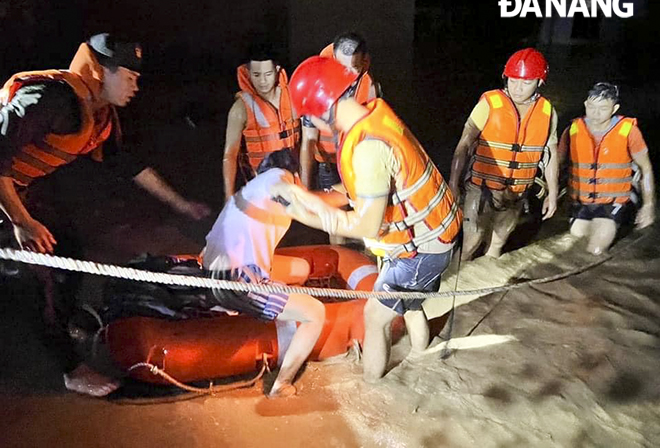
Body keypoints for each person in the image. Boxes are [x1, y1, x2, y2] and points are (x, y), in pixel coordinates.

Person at [0, 33, 210, 396]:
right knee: (41, 278)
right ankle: (70, 368)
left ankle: (63, 322)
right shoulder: (50, 99)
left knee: (70, 248)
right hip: (7, 194)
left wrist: (180, 204)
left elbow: (128, 164)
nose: (135, 86)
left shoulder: (99, 113)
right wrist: (22, 222)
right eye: (128, 76)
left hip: (23, 188)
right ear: (100, 72)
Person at [273, 56, 462, 383]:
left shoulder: (368, 148)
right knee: (412, 303)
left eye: (308, 119)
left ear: (322, 110)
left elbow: (366, 226)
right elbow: (353, 191)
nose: (310, 127)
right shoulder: (371, 116)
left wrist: (302, 214)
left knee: (375, 317)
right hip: (433, 235)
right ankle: (421, 359)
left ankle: (373, 387)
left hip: (420, 248)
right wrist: (307, 195)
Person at [202, 149, 325, 397]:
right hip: (237, 281)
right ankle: (281, 385)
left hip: (213, 271)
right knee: (316, 312)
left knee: (300, 268)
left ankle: (280, 310)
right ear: (295, 176)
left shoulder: (254, 187)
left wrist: (340, 196)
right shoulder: (280, 179)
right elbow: (297, 197)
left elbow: (310, 202)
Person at [449, 48, 559, 260]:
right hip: (482, 189)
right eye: (512, 80)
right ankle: (454, 282)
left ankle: (486, 283)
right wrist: (454, 184)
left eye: (526, 83)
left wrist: (552, 195)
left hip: (517, 193)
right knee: (471, 242)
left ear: (539, 82)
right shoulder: (489, 105)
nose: (517, 88)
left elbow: (551, 155)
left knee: (498, 243)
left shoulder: (547, 112)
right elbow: (463, 145)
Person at [299, 33, 381, 245]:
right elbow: (308, 140)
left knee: (368, 211)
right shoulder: (315, 88)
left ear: (364, 62)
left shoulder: (371, 88)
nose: (346, 75)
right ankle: (340, 258)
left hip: (359, 163)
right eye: (340, 67)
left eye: (353, 68)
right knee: (336, 217)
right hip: (330, 164)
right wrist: (306, 189)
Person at [559, 82, 655, 254]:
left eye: (603, 108)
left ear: (615, 108)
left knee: (595, 250)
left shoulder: (629, 131)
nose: (595, 113)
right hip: (581, 201)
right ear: (586, 104)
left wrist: (648, 206)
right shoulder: (572, 130)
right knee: (576, 239)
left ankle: (620, 221)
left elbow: (645, 168)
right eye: (592, 107)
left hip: (613, 202)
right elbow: (558, 164)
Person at [222, 44, 300, 202]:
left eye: (268, 74)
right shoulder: (240, 108)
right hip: (260, 187)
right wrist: (228, 195)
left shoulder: (293, 98)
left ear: (277, 70)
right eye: (256, 75)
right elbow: (230, 155)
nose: (263, 81)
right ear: (248, 73)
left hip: (294, 184)